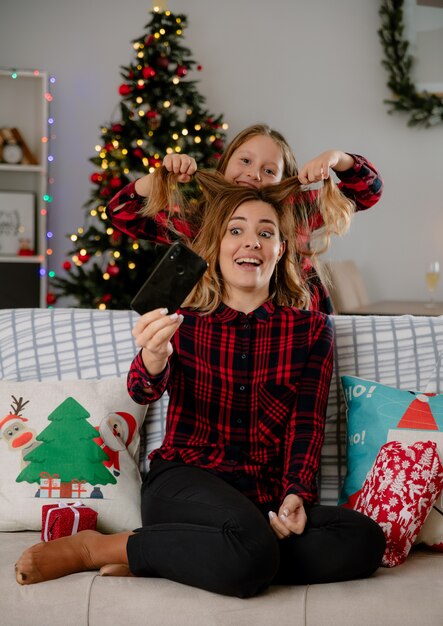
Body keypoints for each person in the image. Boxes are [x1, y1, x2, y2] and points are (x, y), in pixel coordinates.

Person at [15, 169, 385, 594]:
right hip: (184, 483)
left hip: (262, 496)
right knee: (252, 551)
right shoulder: (184, 322)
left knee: (364, 541)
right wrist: (153, 358)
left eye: (266, 234)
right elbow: (141, 390)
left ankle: (184, 557)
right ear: (215, 248)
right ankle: (96, 549)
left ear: (281, 251)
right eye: (236, 231)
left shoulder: (313, 328)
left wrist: (295, 494)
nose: (251, 241)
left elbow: (307, 424)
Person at [105, 123, 383, 312]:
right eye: (245, 161)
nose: (253, 174)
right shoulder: (199, 219)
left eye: (269, 170)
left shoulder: (298, 211)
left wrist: (338, 158)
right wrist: (161, 177)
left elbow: (367, 192)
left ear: (284, 181)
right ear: (225, 164)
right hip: (221, 340)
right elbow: (122, 215)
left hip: (298, 333)